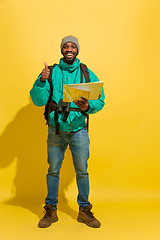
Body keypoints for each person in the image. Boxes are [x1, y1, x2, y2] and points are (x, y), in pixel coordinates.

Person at [30, 35, 105, 228]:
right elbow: (38, 101)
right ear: (61, 49)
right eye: (66, 46)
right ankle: (51, 210)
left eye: (73, 46)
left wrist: (88, 105)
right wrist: (41, 81)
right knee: (53, 170)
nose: (69, 49)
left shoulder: (87, 72)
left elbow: (100, 99)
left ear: (77, 49)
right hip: (56, 130)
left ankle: (84, 210)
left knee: (82, 171)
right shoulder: (51, 72)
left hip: (79, 129)